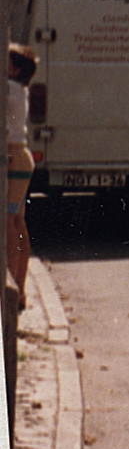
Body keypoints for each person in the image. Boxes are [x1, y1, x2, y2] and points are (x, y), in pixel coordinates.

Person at [7, 45, 35, 310]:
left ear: (14, 70)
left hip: (13, 158)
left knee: (8, 224)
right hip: (21, 157)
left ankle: (11, 291)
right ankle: (20, 289)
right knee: (17, 221)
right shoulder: (18, 88)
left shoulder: (10, 89)